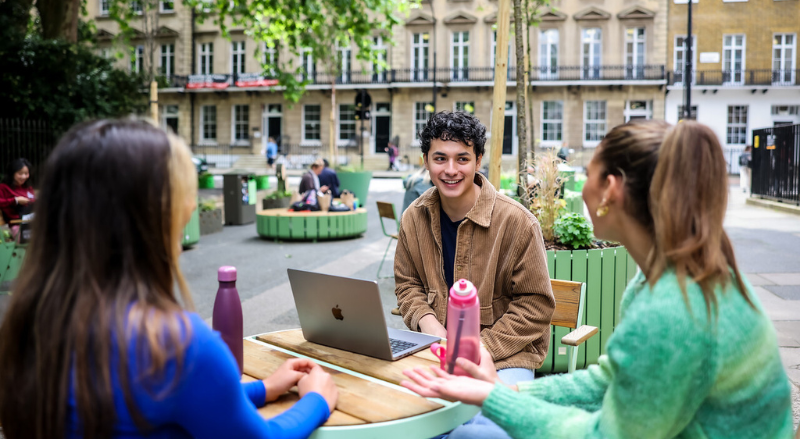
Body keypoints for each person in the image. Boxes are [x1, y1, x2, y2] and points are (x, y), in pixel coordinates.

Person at [402, 120, 793, 439]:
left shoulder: (673, 310)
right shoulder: (667, 275)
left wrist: (494, 397)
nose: (579, 185)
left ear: (609, 190)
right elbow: (608, 380)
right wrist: (506, 391)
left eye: (587, 173)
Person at [0, 120, 338, 439]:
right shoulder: (178, 348)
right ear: (146, 219)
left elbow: (166, 402)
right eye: (180, 198)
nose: (191, 207)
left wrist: (263, 389)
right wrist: (317, 400)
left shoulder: (32, 327)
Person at [395, 111, 555, 400]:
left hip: (505, 357)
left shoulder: (518, 222)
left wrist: (479, 349)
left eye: (463, 159)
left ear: (478, 161)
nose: (451, 169)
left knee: (483, 429)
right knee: (399, 411)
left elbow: (535, 306)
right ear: (426, 161)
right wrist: (430, 323)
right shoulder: (413, 218)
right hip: (435, 350)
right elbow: (407, 285)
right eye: (440, 158)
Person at [0, 158, 36, 238]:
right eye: (20, 173)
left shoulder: (28, 187)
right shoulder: (3, 187)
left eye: (26, 173)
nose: (24, 176)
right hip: (18, 224)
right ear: (12, 173)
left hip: (32, 223)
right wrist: (15, 200)